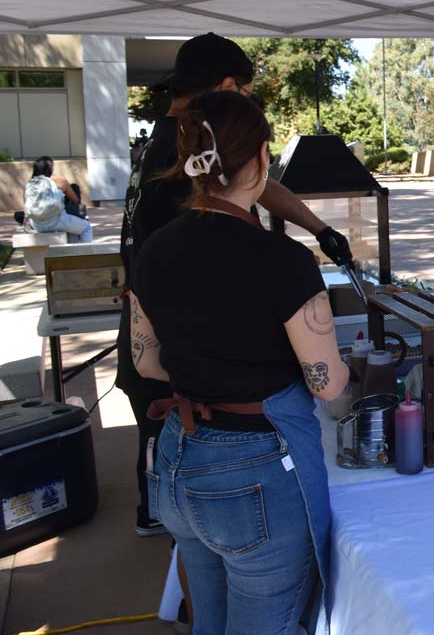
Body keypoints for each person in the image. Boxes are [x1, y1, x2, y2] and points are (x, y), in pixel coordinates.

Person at [128, 90, 348, 634]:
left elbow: (147, 362)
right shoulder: (284, 260)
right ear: (263, 158)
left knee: (210, 621)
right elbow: (326, 384)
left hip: (179, 461)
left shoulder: (153, 250)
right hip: (254, 473)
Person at [23, 156, 93, 243]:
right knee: (86, 228)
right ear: (50, 168)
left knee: (72, 229)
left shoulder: (31, 184)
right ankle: (87, 253)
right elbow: (75, 200)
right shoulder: (58, 180)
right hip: (56, 221)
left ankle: (72, 254)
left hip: (36, 224)